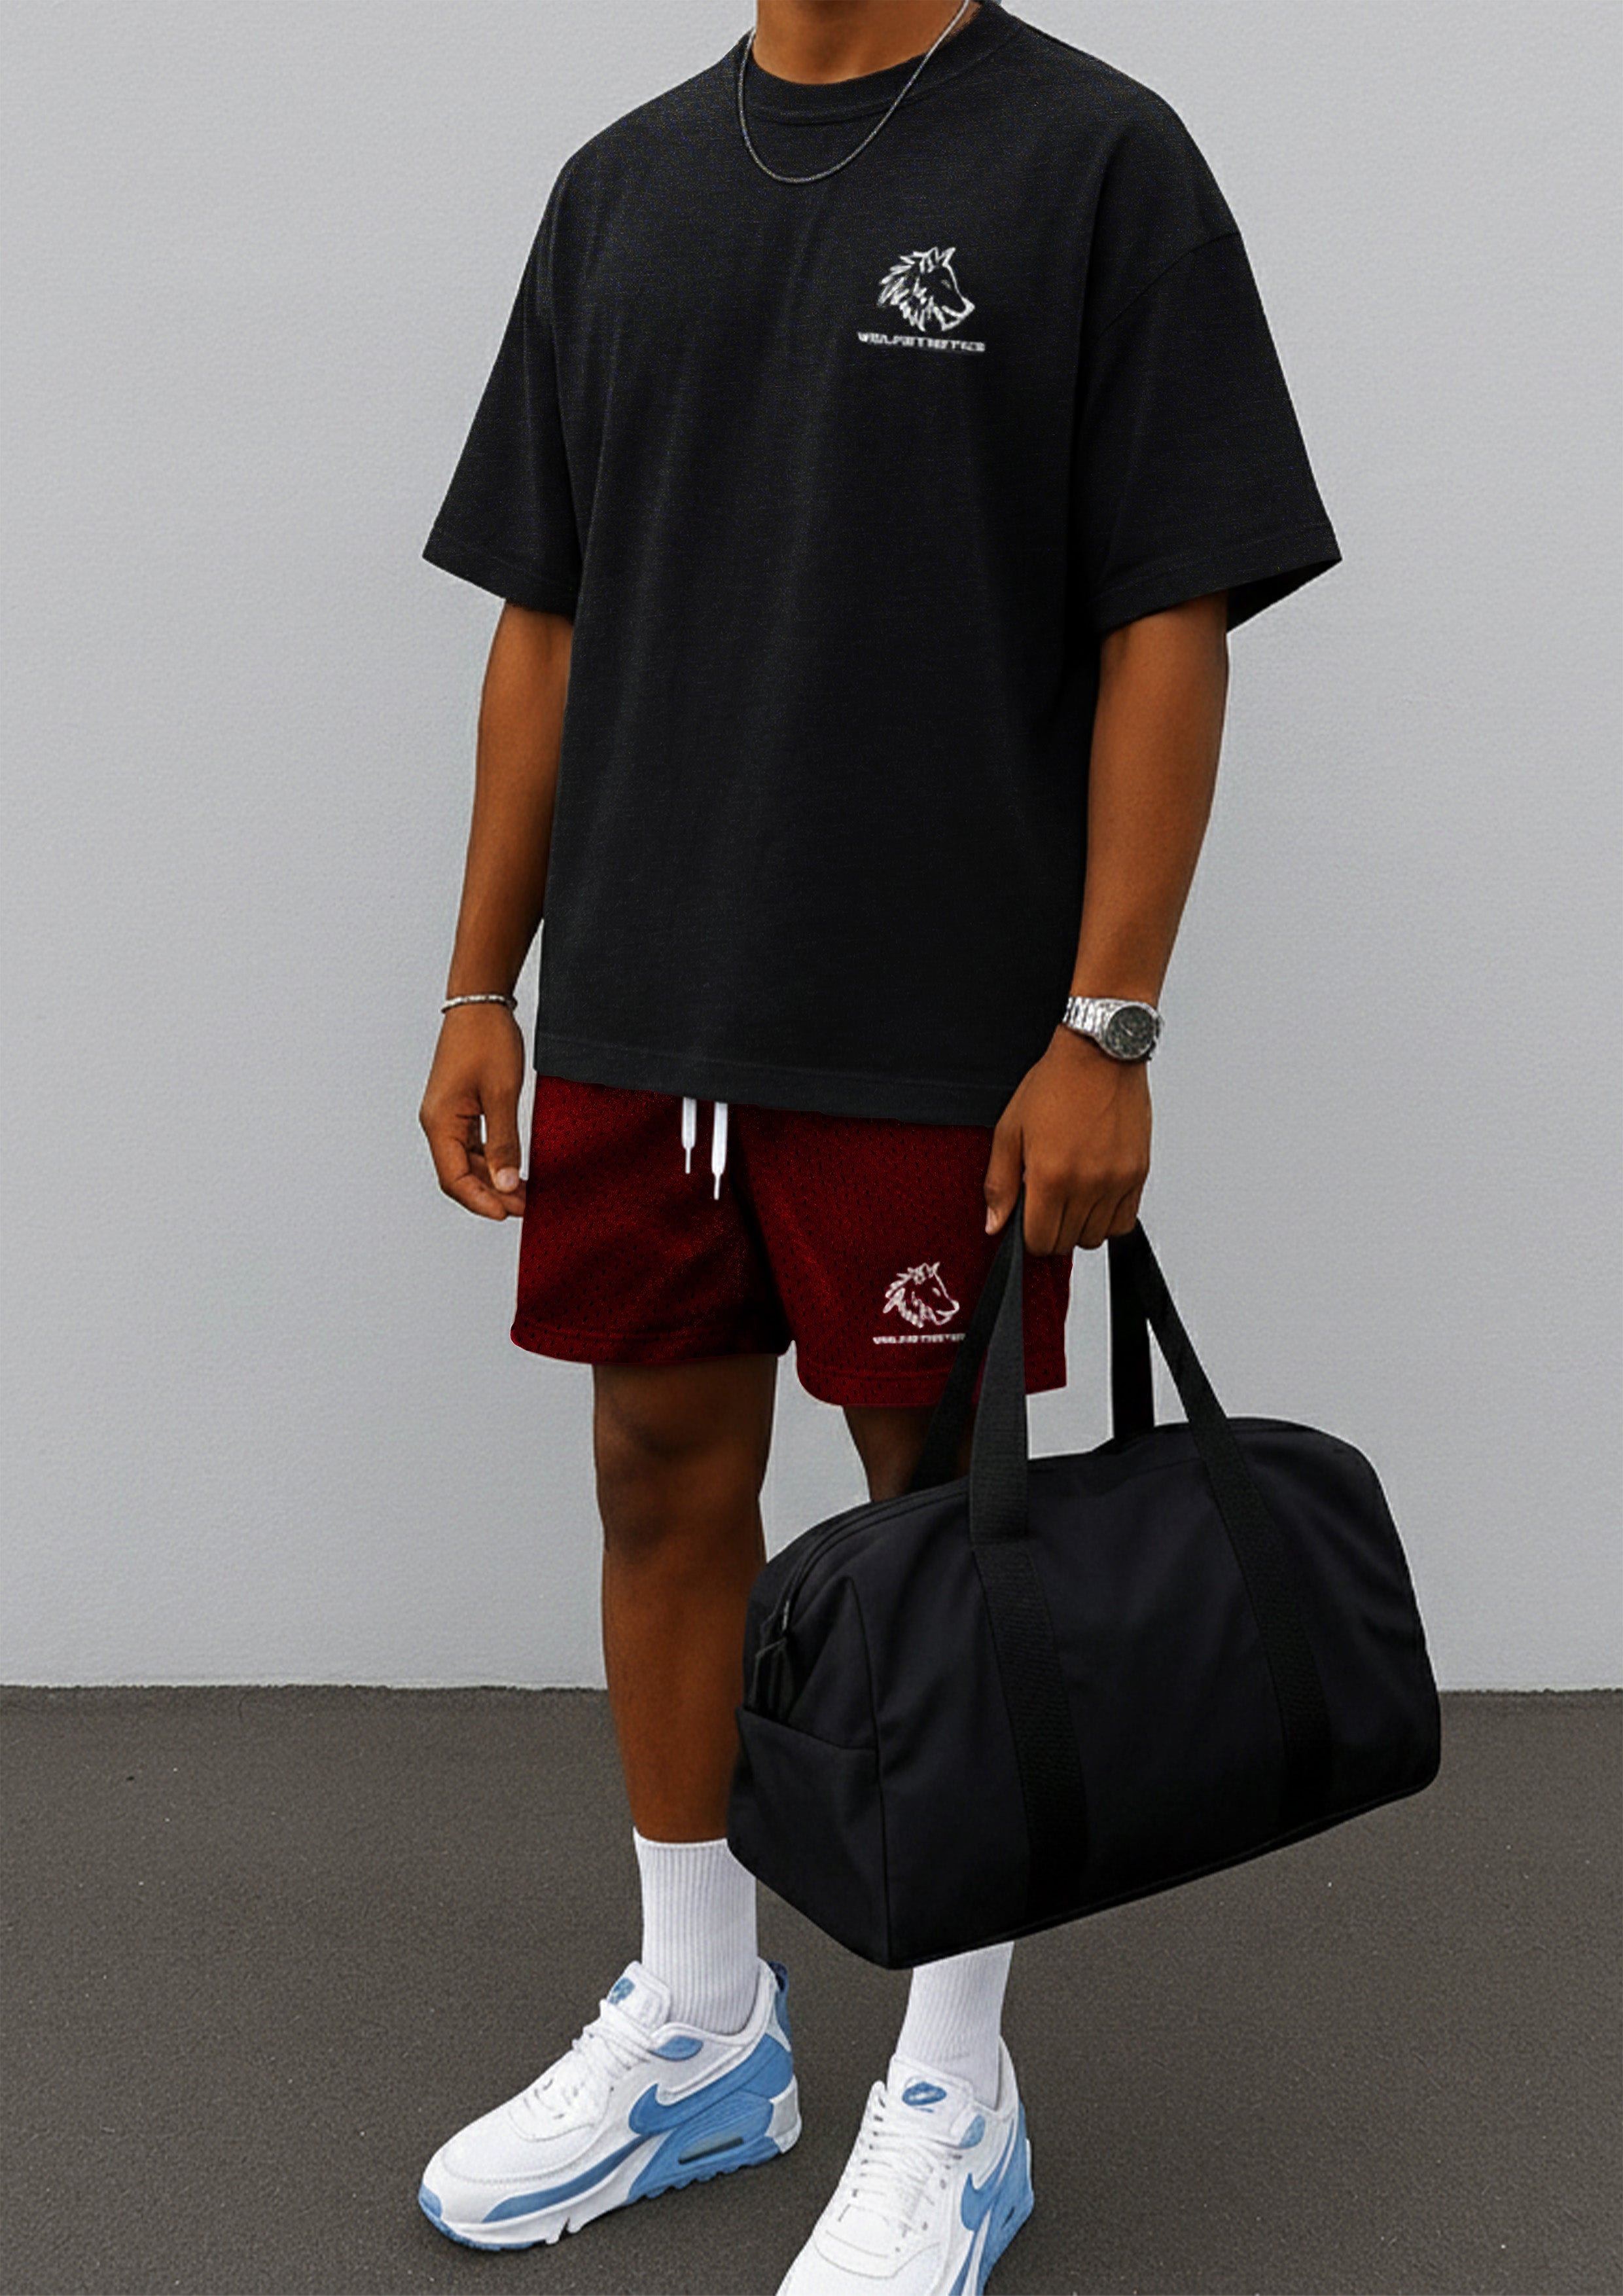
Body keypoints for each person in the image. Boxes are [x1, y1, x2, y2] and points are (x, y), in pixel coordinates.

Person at [412, 1, 1339, 2287]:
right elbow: (547, 616)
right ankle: (704, 2020)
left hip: (934, 1027)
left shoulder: (1096, 160)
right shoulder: (622, 189)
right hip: (649, 1005)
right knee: (658, 1475)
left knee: (946, 1546)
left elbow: (1171, 615)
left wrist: (1106, 1023)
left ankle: (956, 2079)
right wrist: (479, 982)